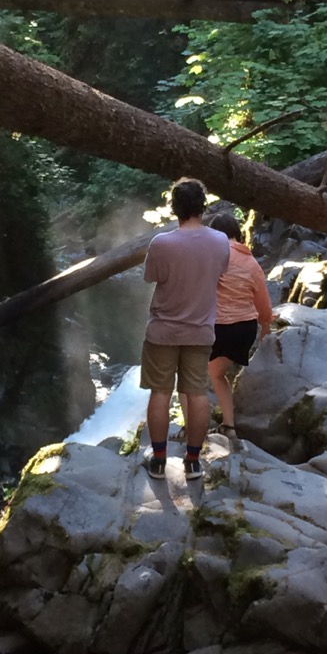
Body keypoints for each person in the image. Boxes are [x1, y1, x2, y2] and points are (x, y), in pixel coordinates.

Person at [140, 177, 230, 481]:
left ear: (174, 207)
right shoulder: (220, 241)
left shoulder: (161, 243)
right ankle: (193, 462)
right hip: (201, 330)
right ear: (202, 206)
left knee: (160, 392)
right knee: (197, 393)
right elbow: (220, 273)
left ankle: (159, 461)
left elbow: (151, 277)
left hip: (163, 331)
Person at [206, 211, 272, 438]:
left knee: (190, 374)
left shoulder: (214, 255)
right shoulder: (252, 263)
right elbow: (263, 303)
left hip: (218, 328)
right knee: (216, 373)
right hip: (245, 330)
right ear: (238, 233)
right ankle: (229, 427)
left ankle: (191, 428)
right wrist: (265, 327)